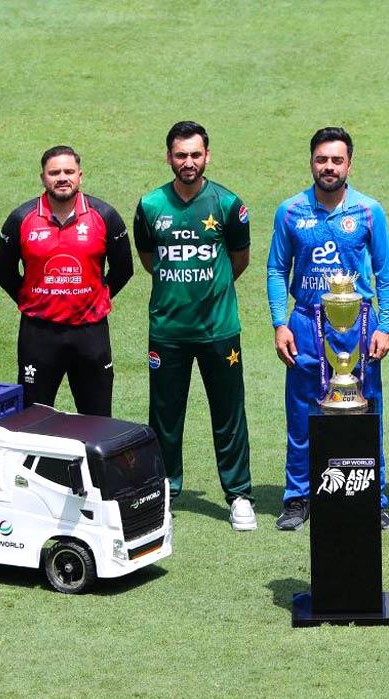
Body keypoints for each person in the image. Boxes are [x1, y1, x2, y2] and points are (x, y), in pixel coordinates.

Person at [267, 127, 389, 531]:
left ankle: (372, 497)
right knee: (302, 412)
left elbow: (386, 274)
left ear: (349, 164)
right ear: (311, 162)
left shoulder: (369, 211)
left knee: (366, 409)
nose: (329, 167)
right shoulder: (290, 211)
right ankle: (298, 497)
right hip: (306, 323)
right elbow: (276, 269)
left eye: (336, 160)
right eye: (322, 159)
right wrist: (280, 323)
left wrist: (385, 326)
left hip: (358, 324)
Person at [133, 121, 256, 531]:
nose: (188, 162)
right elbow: (150, 259)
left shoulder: (228, 204)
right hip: (168, 331)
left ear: (207, 156)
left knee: (229, 413)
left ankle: (239, 494)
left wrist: (211, 291)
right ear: (169, 157)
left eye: (195, 154)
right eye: (181, 155)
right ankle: (165, 492)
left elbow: (239, 259)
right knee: (165, 417)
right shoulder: (150, 205)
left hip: (219, 331)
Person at [0, 146, 133, 416]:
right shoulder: (21, 218)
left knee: (97, 419)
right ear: (42, 178)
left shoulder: (105, 216)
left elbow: (123, 269)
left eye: (69, 171)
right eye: (54, 172)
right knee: (32, 419)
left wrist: (95, 297)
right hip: (38, 334)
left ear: (80, 175)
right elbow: (4, 272)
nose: (62, 178)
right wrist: (34, 299)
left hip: (90, 333)